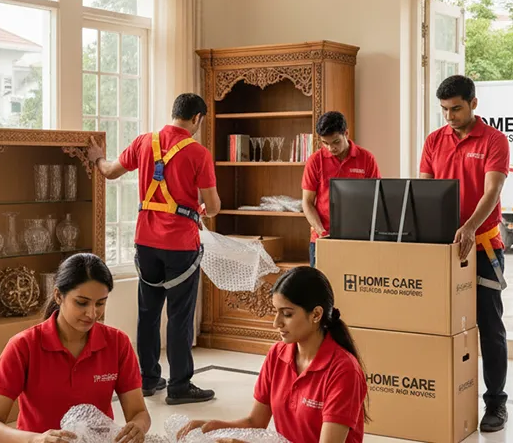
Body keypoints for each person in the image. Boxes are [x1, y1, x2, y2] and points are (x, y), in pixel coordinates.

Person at [88, 93, 222, 405]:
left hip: (145, 241)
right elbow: (213, 206)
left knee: (148, 313)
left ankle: (147, 379)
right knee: (179, 316)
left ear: (173, 112)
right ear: (197, 119)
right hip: (181, 246)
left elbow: (108, 171)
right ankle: (179, 386)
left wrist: (97, 156)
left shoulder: (144, 142)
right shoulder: (198, 153)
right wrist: (198, 212)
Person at [176, 266, 369, 443]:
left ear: (316, 314)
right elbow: (255, 422)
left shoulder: (344, 370)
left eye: (287, 314)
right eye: (276, 312)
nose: (276, 323)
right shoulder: (277, 354)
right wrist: (211, 426)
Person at [0, 253, 150, 443]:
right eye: (81, 303)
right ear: (58, 296)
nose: (92, 313)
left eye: (100, 303)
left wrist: (138, 427)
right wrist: (36, 440)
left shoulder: (118, 343)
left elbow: (139, 412)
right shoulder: (23, 346)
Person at [419, 75, 510, 432]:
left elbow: (493, 191)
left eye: (456, 108)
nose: (450, 117)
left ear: (474, 103)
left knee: (489, 328)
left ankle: (497, 404)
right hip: (443, 250)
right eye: (444, 110)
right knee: (440, 327)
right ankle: (447, 396)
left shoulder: (493, 141)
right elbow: (423, 191)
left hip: (483, 247)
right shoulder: (433, 141)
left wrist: (470, 227)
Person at [302, 111, 381, 267]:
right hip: (322, 239)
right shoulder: (315, 161)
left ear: (346, 133)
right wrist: (321, 232)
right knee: (321, 289)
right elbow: (307, 202)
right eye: (325, 143)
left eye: (336, 142)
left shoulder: (366, 159)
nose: (331, 148)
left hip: (358, 239)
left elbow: (375, 199)